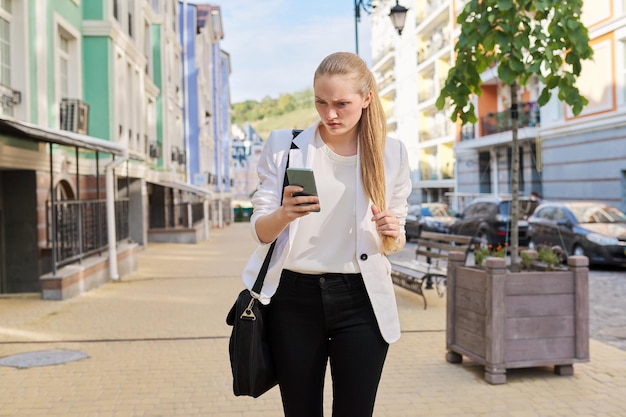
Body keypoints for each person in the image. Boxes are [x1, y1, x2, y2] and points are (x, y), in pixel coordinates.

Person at [242, 51, 411, 417]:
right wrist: (284, 214)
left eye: (341, 104)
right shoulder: (286, 147)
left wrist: (393, 231)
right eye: (320, 102)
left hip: (362, 299)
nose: (330, 114)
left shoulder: (391, 153)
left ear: (366, 99)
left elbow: (394, 242)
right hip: (293, 300)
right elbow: (260, 231)